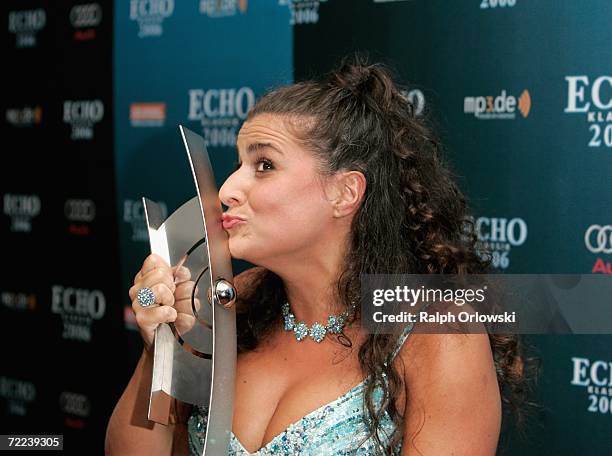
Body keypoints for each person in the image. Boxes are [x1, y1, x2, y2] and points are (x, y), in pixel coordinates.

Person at [106, 55, 528, 455]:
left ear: (344, 193)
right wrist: (160, 345)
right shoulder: (232, 300)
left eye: (264, 165)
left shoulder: (438, 333)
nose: (228, 190)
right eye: (238, 163)